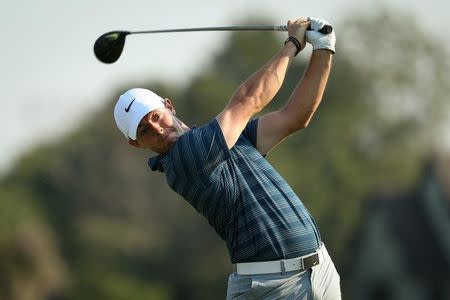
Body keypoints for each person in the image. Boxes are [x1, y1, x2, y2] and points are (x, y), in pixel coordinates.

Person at [114, 17, 341, 300]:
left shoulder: (224, 140)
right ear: (137, 144)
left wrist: (323, 49)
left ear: (168, 106)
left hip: (319, 272)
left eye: (156, 117)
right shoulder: (186, 160)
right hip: (272, 287)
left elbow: (294, 117)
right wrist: (292, 45)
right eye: (145, 131)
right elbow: (248, 100)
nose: (158, 130)